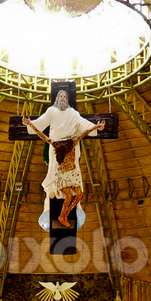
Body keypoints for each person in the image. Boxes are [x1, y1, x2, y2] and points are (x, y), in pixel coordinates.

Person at [23, 90, 105, 227]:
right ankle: (53, 196)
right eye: (60, 96)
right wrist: (30, 124)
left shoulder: (73, 113)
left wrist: (96, 127)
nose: (62, 98)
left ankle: (73, 209)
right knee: (54, 171)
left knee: (75, 180)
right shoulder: (52, 111)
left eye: (65, 96)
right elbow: (41, 127)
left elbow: (84, 127)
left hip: (71, 147)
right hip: (57, 148)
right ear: (57, 98)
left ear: (67, 99)